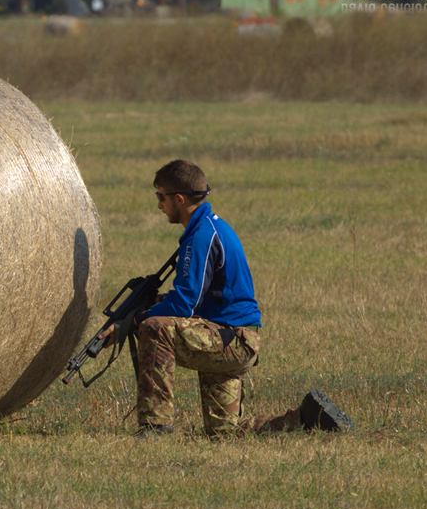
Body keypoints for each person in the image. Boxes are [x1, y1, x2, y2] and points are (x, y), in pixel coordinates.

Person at [99, 159, 354, 439]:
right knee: (224, 433)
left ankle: (154, 427)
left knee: (154, 328)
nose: (159, 205)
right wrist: (153, 303)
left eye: (160, 197)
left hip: (231, 340)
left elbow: (184, 304)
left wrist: (133, 321)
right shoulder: (210, 227)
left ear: (179, 199)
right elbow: (198, 296)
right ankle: (308, 419)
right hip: (232, 337)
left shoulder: (201, 236)